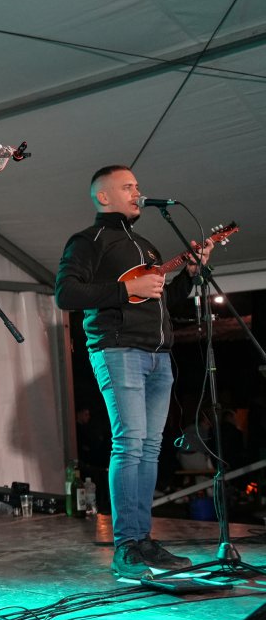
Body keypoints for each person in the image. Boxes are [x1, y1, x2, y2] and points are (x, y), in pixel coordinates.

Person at [55, 164, 208, 579]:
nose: (137, 192)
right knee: (129, 443)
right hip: (118, 349)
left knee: (150, 448)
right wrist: (126, 289)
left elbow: (162, 301)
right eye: (128, 187)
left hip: (158, 355)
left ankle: (143, 539)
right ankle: (126, 546)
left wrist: (189, 277)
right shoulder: (88, 241)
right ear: (103, 196)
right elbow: (65, 293)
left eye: (138, 186)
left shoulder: (147, 247)